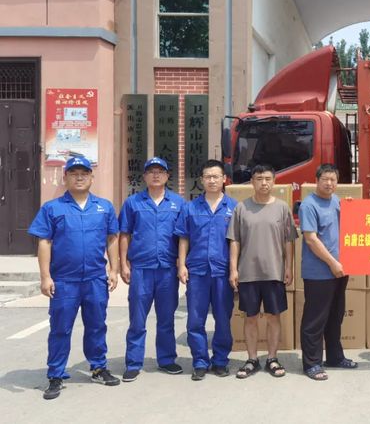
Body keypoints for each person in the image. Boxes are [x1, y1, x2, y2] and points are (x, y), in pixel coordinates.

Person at [28, 157, 121, 400]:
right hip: (64, 281)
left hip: (95, 279)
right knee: (61, 328)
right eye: (73, 173)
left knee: (97, 325)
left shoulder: (104, 207)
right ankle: (56, 374)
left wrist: (114, 270)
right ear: (65, 178)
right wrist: (45, 277)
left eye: (84, 173)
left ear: (91, 177)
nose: (79, 177)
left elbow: (112, 238)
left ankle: (98, 367)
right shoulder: (52, 208)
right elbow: (44, 242)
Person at [118, 157, 184, 382]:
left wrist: (182, 263)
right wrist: (123, 263)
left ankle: (166, 359)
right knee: (137, 319)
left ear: (167, 176)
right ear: (144, 176)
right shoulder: (133, 203)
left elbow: (184, 237)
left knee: (166, 318)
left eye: (160, 171)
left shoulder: (178, 203)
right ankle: (133, 363)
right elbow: (124, 234)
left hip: (167, 269)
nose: (156, 175)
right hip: (141, 269)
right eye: (151, 171)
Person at [227, 165, 297, 379]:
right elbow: (235, 240)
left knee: (273, 317)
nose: (264, 183)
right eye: (259, 179)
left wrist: (289, 267)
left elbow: (288, 241)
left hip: (274, 272)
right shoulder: (241, 208)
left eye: (268, 178)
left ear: (274, 181)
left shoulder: (282, 208)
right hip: (248, 273)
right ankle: (252, 359)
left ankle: (272, 358)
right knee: (250, 317)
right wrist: (233, 269)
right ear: (252, 182)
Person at [175, 159, 238, 381]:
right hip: (197, 271)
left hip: (222, 271)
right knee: (195, 319)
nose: (212, 180)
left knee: (223, 318)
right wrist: (182, 265)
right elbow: (184, 237)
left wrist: (234, 270)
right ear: (202, 180)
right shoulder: (190, 207)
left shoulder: (234, 207)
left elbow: (236, 242)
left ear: (224, 179)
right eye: (208, 176)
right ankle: (200, 362)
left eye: (216, 176)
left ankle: (220, 361)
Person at [298, 163, 357, 381]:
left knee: (335, 316)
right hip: (319, 273)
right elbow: (311, 239)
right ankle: (312, 363)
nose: (329, 183)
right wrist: (332, 263)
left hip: (340, 270)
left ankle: (335, 357)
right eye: (325, 179)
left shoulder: (337, 201)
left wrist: (351, 208)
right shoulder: (309, 205)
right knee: (315, 319)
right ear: (317, 180)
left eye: (333, 180)